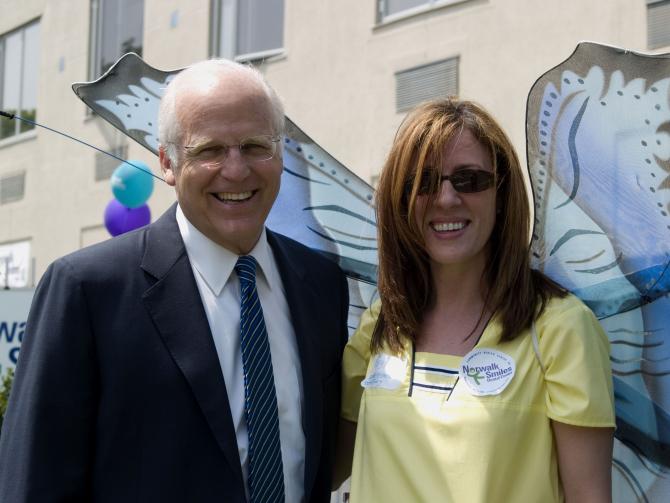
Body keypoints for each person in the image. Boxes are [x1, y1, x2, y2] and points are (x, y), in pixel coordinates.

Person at [0, 60, 349, 503]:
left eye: (255, 145)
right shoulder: (87, 291)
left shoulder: (321, 285)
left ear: (280, 154)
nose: (237, 170)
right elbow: (34, 484)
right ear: (167, 162)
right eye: (210, 151)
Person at [336, 98, 615, 502]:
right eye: (424, 182)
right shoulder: (381, 321)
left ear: (501, 196)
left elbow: (589, 496)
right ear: (401, 199)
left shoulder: (560, 328)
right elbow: (316, 468)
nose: (446, 199)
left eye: (469, 180)